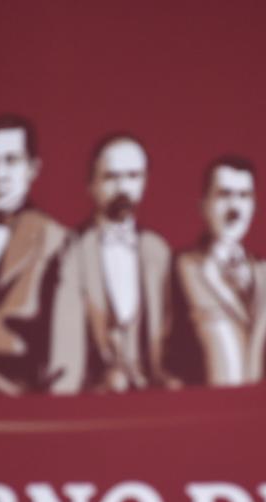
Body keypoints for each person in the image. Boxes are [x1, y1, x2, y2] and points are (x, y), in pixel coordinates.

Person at [50, 133, 177, 393]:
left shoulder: (159, 251)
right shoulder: (72, 252)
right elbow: (65, 349)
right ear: (91, 185)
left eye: (133, 177)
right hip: (94, 397)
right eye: (111, 177)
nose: (123, 188)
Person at [0, 114, 73, 394]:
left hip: (23, 402)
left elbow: (66, 349)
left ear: (33, 169)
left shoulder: (57, 240)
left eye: (11, 160)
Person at [169, 156, 266, 387]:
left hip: (260, 411)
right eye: (224, 194)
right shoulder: (183, 268)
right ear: (203, 205)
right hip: (202, 411)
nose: (235, 207)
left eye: (243, 196)